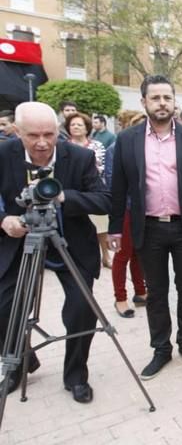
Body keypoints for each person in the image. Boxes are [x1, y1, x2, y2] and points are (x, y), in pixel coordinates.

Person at [0, 102, 111, 403]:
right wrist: (4, 219)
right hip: (18, 242)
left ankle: (76, 375)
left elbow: (103, 199)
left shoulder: (79, 156)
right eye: (32, 135)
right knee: (5, 308)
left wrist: (64, 197)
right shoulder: (4, 153)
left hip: (70, 245)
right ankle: (19, 363)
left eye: (49, 134)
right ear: (17, 132)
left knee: (81, 310)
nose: (42, 143)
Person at [108, 75, 182, 380]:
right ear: (144, 102)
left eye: (167, 97)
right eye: (155, 98)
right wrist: (114, 229)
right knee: (156, 292)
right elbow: (118, 187)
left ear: (175, 101)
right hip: (148, 228)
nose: (162, 103)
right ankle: (161, 348)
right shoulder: (127, 140)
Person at [105, 112, 146, 318]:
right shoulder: (116, 148)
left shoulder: (150, 149)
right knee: (123, 255)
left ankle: (141, 292)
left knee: (139, 253)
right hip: (127, 209)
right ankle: (120, 298)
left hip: (145, 209)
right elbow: (114, 184)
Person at [65, 112, 112, 269]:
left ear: (87, 128)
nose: (76, 127)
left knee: (101, 226)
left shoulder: (96, 145)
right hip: (70, 191)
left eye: (79, 124)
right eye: (72, 125)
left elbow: (102, 166)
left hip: (93, 189)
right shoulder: (64, 145)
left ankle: (105, 255)